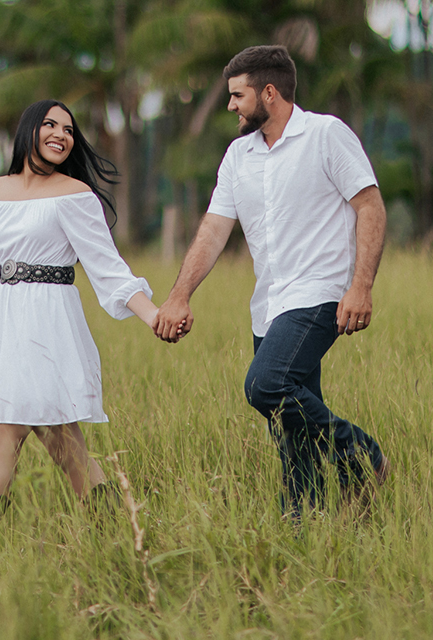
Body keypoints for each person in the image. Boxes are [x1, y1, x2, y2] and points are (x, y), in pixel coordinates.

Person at [153, 45, 390, 518]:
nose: (230, 106)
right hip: (268, 304)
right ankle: (302, 520)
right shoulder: (238, 156)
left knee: (266, 385)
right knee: (288, 425)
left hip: (320, 293)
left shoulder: (325, 134)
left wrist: (360, 287)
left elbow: (370, 207)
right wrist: (179, 295)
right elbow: (214, 230)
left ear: (269, 92)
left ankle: (363, 457)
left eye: (237, 95)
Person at [0, 99, 164, 555]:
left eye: (69, 129)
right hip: (10, 329)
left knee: (5, 437)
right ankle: (124, 547)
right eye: (51, 124)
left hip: (51, 328)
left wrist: (153, 315)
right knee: (64, 448)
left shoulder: (74, 193)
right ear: (28, 130)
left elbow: (109, 270)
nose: (62, 134)